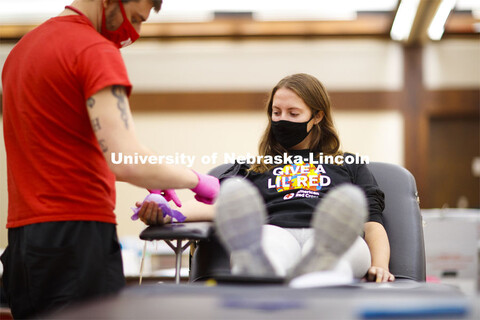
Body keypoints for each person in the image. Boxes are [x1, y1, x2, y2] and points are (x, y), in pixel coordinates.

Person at [1, 0, 219, 318]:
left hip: (24, 242)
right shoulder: (95, 49)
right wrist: (197, 180)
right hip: (77, 241)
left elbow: (69, 150)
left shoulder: (21, 51)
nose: (136, 31)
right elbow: (126, 159)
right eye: (134, 18)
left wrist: (156, 176)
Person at [137, 73, 395, 284]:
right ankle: (265, 271)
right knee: (266, 248)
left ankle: (321, 268)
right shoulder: (252, 167)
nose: (282, 120)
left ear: (317, 117)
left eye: (293, 114)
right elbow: (218, 206)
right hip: (275, 232)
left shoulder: (348, 164)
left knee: (334, 251)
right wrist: (167, 211)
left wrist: (380, 266)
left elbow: (372, 221)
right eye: (276, 112)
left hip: (333, 235)